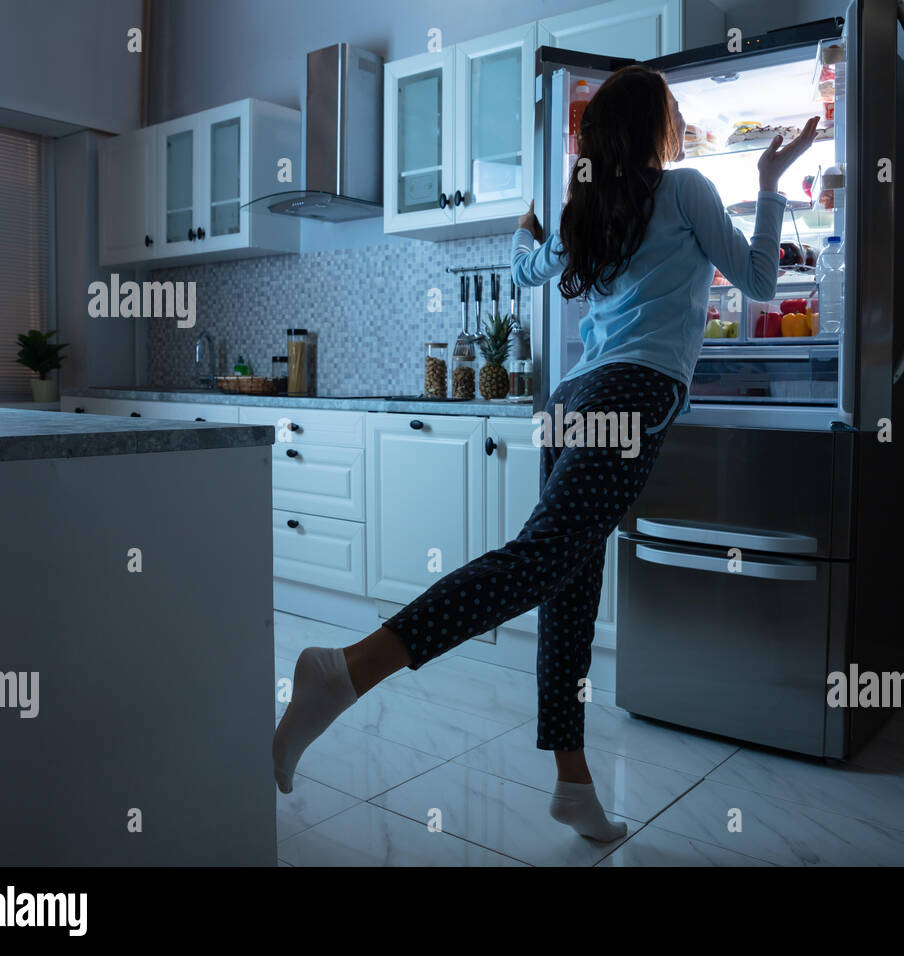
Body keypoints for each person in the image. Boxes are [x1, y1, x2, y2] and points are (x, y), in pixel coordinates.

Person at [273, 64, 817, 843]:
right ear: (655, 128)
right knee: (540, 563)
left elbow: (529, 266)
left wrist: (527, 236)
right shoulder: (687, 188)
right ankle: (345, 671)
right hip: (628, 398)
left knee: (566, 580)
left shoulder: (583, 211)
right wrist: (767, 181)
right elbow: (761, 279)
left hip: (569, 404)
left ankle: (572, 783)